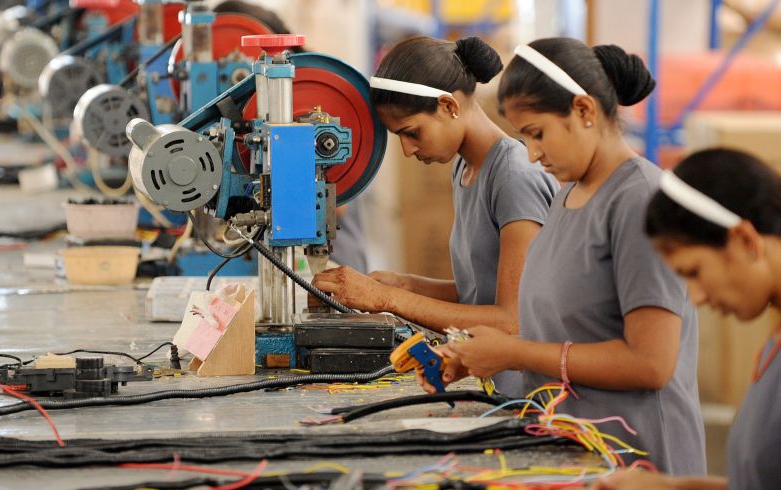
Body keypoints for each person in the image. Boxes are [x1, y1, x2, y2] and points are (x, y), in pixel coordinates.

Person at [425, 37, 706, 475]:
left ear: (584, 111)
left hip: (639, 460)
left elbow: (651, 363)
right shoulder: (567, 195)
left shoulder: (638, 200)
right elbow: (561, 323)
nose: (533, 154)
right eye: (524, 138)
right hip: (576, 451)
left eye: (538, 134)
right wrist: (474, 354)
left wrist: (515, 353)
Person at [312, 36, 558, 342]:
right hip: (482, 370)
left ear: (448, 105)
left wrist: (387, 299)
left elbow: (512, 321)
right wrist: (402, 285)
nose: (407, 149)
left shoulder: (513, 176)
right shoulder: (465, 169)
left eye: (412, 132)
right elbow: (478, 291)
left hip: (521, 386)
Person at [593, 148, 781, 489]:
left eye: (693, 271)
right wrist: (671, 486)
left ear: (744, 240)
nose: (696, 297)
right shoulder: (773, 341)